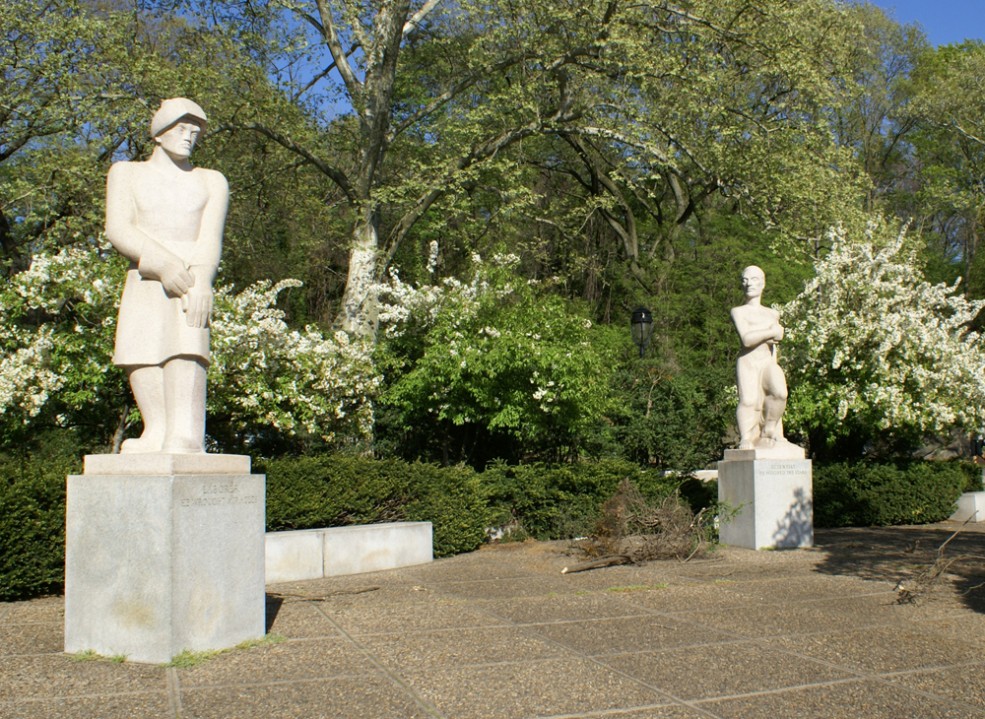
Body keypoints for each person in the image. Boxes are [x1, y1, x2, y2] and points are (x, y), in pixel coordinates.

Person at [104, 98, 229, 454]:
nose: (189, 136)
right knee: (139, 347)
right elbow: (118, 228)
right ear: (159, 133)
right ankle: (156, 429)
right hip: (146, 274)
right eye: (181, 128)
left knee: (186, 348)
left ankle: (184, 433)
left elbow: (209, 238)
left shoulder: (211, 181)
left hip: (190, 276)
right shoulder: (126, 173)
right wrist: (159, 262)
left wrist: (202, 279)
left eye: (195, 131)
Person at [731, 265, 788, 450]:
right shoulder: (739, 311)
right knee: (748, 401)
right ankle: (746, 437)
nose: (749, 284)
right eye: (745, 280)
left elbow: (775, 343)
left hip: (767, 361)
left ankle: (770, 429)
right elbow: (747, 339)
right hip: (748, 361)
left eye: (754, 279)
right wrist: (771, 331)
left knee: (780, 393)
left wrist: (775, 337)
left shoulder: (772, 314)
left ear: (762, 283)